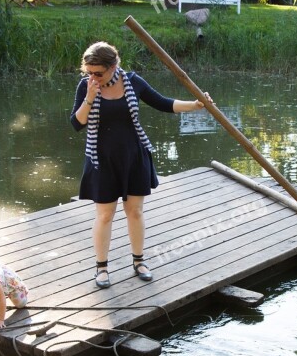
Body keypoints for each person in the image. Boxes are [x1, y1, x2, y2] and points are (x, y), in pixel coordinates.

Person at [70, 41, 212, 289]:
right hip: (100, 159)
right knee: (104, 215)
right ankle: (101, 268)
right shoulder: (86, 87)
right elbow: (76, 123)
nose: (93, 77)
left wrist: (196, 105)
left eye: (99, 73)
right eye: (89, 72)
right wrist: (90, 98)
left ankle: (139, 262)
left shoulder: (133, 81)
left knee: (135, 212)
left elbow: (163, 103)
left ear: (114, 66)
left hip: (134, 156)